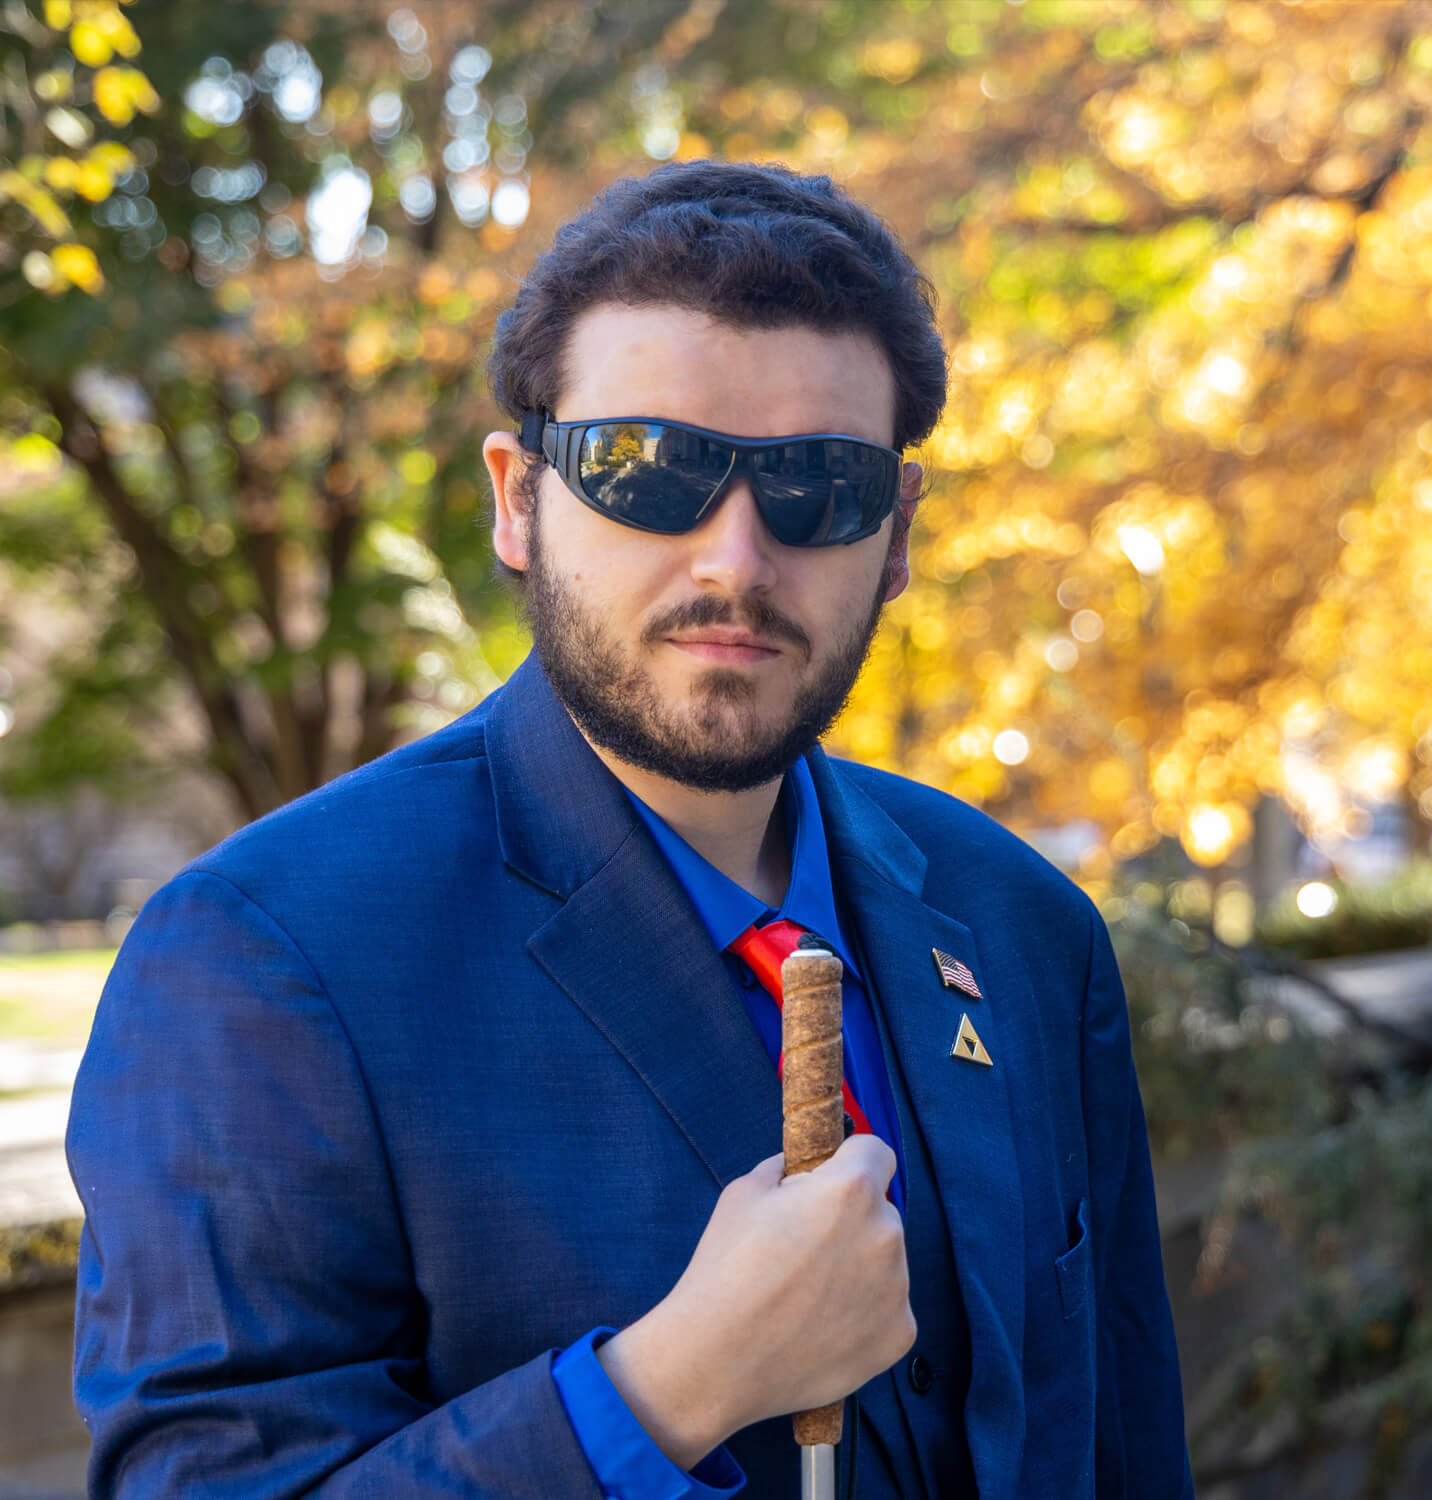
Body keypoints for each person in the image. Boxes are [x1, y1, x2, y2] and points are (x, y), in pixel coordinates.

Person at [68, 160, 1193, 1499]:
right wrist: (672, 1386)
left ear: (896, 536)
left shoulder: (1025, 929)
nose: (733, 558)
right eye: (647, 470)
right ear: (516, 502)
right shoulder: (263, 959)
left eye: (818, 486)